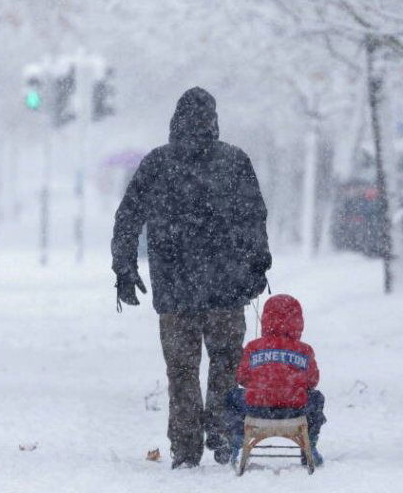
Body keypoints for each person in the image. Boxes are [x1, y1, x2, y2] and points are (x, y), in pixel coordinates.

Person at [111, 87, 271, 469]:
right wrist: (257, 265)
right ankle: (222, 431)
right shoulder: (234, 161)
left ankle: (185, 446)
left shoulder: (158, 163)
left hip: (175, 289)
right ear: (213, 120)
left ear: (175, 120)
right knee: (226, 362)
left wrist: (124, 268)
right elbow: (253, 217)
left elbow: (128, 217)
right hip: (226, 287)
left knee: (181, 371)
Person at [225, 294, 326, 466]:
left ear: (266, 318)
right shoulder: (304, 350)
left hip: (257, 408)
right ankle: (310, 445)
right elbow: (312, 381)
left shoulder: (253, 347)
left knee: (231, 397)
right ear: (298, 321)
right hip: (294, 410)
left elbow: (241, 377)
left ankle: (238, 443)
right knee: (317, 398)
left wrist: (262, 383)